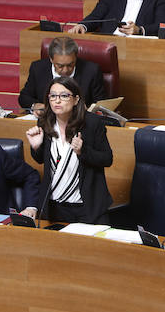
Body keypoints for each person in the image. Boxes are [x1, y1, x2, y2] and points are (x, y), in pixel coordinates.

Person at [25, 76, 113, 224]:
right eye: (53, 96)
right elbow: (40, 159)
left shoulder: (91, 123)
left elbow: (107, 158)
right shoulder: (44, 122)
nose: (57, 101)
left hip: (86, 206)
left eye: (64, 96)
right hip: (54, 207)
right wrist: (36, 147)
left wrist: (83, 151)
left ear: (76, 99)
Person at [19, 36, 106, 111]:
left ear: (76, 57)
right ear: (51, 59)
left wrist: (87, 110)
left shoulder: (91, 71)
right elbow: (24, 97)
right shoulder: (38, 68)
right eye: (60, 66)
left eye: (70, 65)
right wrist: (35, 106)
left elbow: (101, 103)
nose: (65, 70)